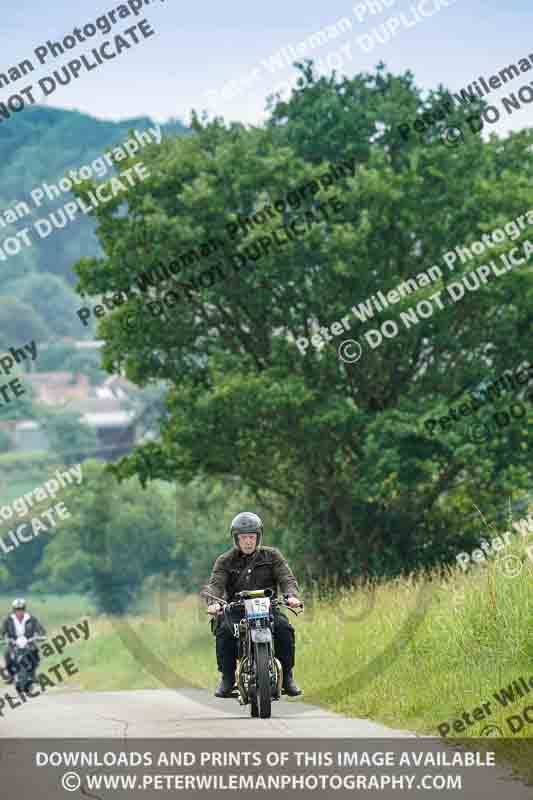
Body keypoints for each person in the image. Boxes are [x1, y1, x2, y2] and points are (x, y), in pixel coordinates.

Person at [202, 511, 303, 698]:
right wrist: (214, 603)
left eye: (251, 537)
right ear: (236, 539)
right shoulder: (225, 560)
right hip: (237, 610)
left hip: (268, 607)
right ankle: (227, 678)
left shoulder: (272, 556)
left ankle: (287, 676)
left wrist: (291, 596)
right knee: (224, 630)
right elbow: (215, 585)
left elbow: (287, 578)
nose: (248, 541)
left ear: (258, 537)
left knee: (284, 628)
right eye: (243, 537)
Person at [1, 598, 46, 683]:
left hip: (29, 642)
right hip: (13, 643)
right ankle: (11, 675)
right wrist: (5, 639)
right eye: (17, 609)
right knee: (7, 654)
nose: (19, 611)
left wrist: (40, 637)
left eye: (21, 609)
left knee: (35, 654)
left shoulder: (32, 619)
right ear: (13, 610)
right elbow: (2, 632)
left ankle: (33, 675)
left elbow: (41, 630)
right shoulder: (8, 620)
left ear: (24, 609)